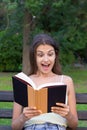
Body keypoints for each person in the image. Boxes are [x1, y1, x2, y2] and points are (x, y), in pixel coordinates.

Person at [12, 33, 78, 130]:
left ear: (55, 55)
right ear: (34, 57)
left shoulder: (66, 81)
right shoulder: (24, 82)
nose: (46, 59)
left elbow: (74, 124)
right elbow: (14, 127)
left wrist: (68, 115)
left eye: (50, 54)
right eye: (40, 55)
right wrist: (23, 117)